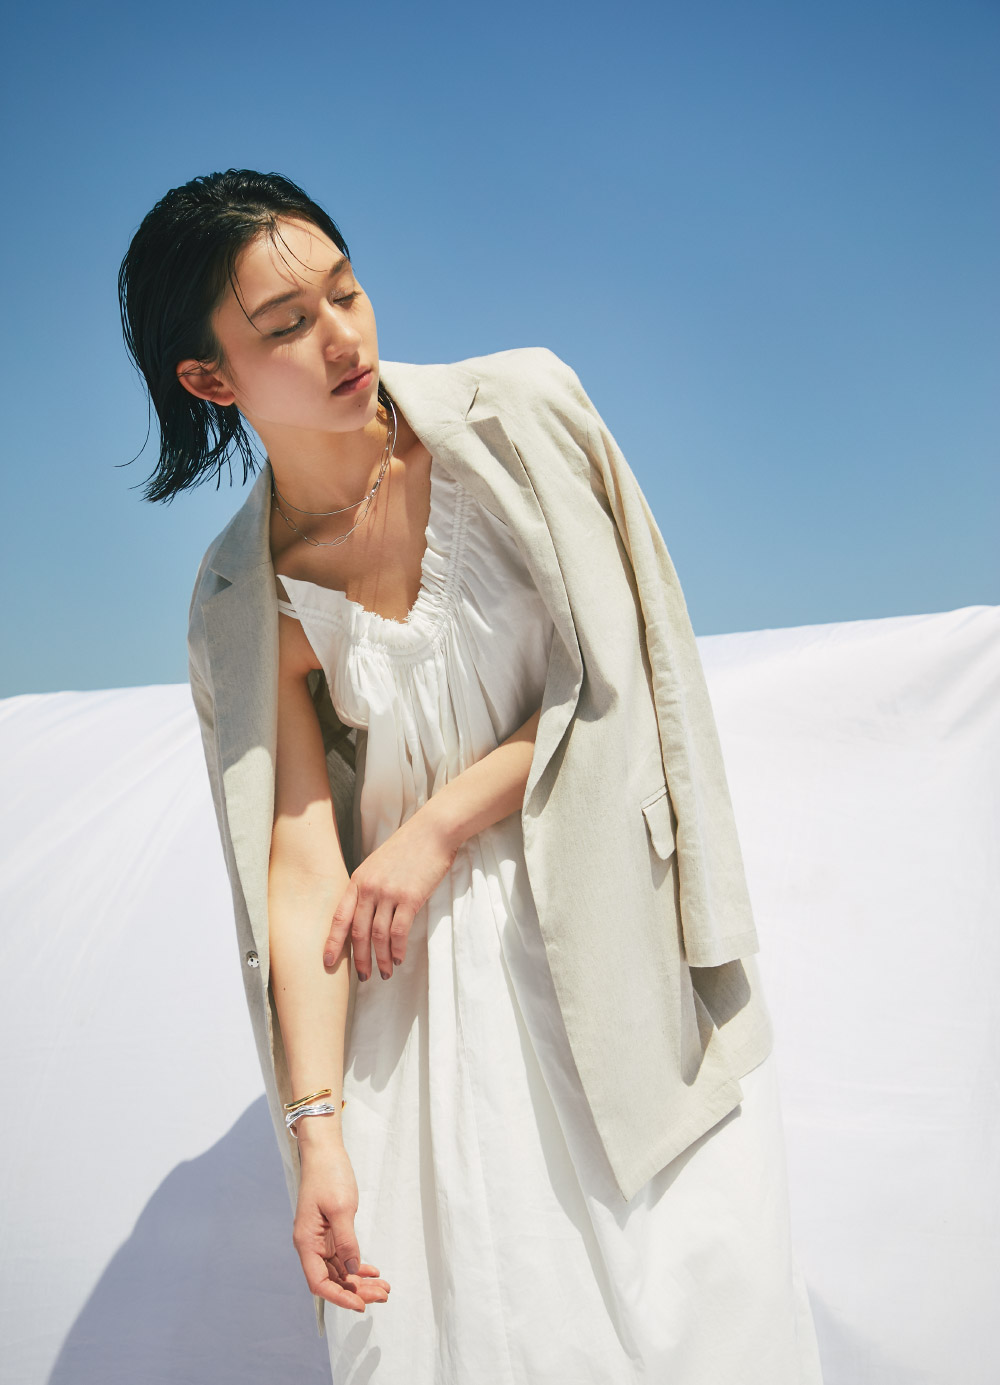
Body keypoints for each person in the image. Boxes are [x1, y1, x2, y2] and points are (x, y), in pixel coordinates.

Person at [118, 168, 824, 1383]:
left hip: (607, 941)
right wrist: (316, 1129)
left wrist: (437, 822)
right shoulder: (241, 594)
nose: (342, 336)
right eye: (286, 324)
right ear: (211, 379)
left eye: (346, 291)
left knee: (691, 1310)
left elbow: (624, 676)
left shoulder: (525, 415)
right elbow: (298, 862)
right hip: (416, 1004)